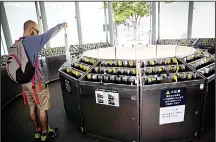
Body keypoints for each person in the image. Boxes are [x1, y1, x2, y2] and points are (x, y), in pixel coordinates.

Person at [20, 20, 67, 141]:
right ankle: (45, 133)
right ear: (30, 30)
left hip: (24, 83)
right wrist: (62, 25)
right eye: (36, 31)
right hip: (36, 83)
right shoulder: (32, 40)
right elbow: (49, 34)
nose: (38, 34)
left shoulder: (18, 43)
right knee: (42, 108)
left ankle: (37, 131)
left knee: (32, 107)